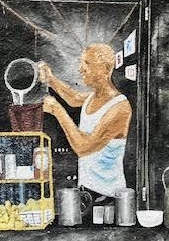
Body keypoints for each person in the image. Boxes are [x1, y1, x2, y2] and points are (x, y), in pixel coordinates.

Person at [40, 43, 132, 199]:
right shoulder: (93, 97)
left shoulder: (120, 107)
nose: (80, 69)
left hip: (107, 196)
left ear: (105, 69)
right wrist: (50, 79)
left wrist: (57, 110)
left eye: (87, 63)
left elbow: (83, 147)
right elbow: (73, 98)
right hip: (87, 190)